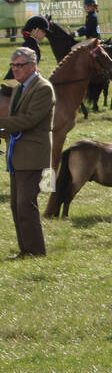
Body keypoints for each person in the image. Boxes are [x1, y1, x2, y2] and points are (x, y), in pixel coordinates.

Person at [0, 48, 54, 257]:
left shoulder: (43, 88)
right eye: (13, 65)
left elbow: (29, 120)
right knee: (16, 205)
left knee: (25, 204)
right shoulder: (19, 88)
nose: (15, 69)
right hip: (17, 155)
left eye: (20, 65)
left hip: (33, 155)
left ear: (33, 65)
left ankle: (35, 251)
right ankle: (26, 249)